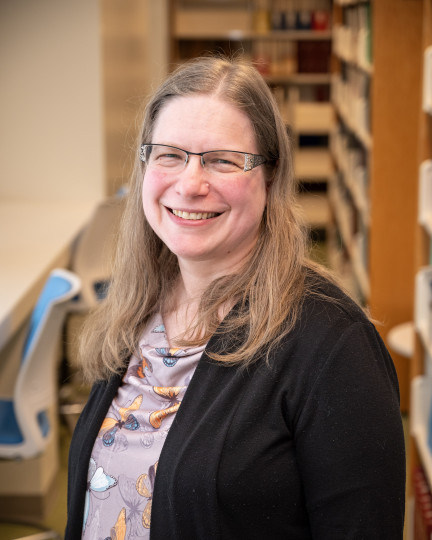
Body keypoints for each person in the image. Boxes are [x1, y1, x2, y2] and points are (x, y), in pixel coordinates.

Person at [66, 56, 405, 540]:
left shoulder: (333, 345)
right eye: (169, 154)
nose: (190, 184)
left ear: (269, 176)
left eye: (223, 160)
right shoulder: (139, 302)